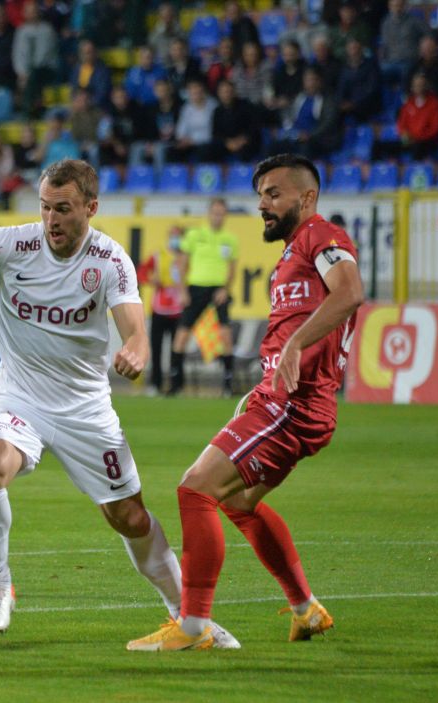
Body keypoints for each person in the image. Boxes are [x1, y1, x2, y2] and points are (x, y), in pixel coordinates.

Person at [0, 159, 239, 647]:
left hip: (85, 408)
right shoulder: (13, 244)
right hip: (19, 394)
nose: (51, 219)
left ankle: (187, 619)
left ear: (90, 208)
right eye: (45, 207)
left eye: (63, 209)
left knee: (129, 517)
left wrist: (136, 350)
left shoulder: (109, 260)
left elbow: (135, 328)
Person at [128, 153, 363, 651]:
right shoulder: (297, 249)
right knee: (237, 502)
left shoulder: (324, 236)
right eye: (260, 195)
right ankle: (306, 609)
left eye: (274, 193)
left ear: (308, 197)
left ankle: (193, 627)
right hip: (288, 401)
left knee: (195, 490)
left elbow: (350, 293)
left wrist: (295, 346)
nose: (263, 204)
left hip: (292, 405)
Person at [169, 197, 239, 396]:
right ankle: (176, 385)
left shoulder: (230, 239)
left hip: (218, 290)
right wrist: (182, 291)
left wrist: (225, 289)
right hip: (195, 288)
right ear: (209, 213)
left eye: (221, 213)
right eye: (215, 212)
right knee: (181, 336)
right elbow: (182, 264)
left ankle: (228, 385)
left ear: (225, 215)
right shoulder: (194, 235)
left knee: (225, 336)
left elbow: (232, 269)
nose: (218, 216)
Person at [136, 225, 185, 395]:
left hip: (178, 309)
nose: (175, 239)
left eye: (178, 236)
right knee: (156, 349)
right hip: (159, 308)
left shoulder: (186, 256)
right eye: (172, 235)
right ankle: (155, 383)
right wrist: (151, 279)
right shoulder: (158, 255)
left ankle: (176, 384)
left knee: (177, 349)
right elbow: (141, 272)